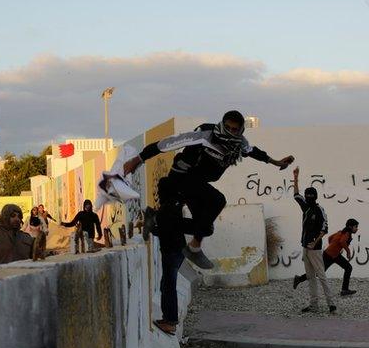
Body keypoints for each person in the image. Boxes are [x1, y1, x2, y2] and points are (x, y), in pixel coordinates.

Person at [123, 110, 294, 269]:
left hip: (197, 183)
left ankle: (156, 221)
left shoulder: (239, 144)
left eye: (234, 129)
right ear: (222, 124)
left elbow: (255, 152)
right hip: (182, 177)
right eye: (227, 127)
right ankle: (193, 248)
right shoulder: (205, 135)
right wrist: (137, 160)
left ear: (240, 130)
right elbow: (165, 144)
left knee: (205, 227)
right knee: (217, 200)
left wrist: (277, 162)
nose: (230, 132)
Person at [152, 177, 196, 335]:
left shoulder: (167, 208)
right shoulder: (175, 204)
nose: (158, 192)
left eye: (160, 189)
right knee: (167, 285)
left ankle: (170, 322)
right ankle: (168, 319)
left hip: (172, 251)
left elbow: (165, 230)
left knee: (168, 286)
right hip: (177, 250)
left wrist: (151, 228)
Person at [292, 167, 335, 314]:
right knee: (310, 277)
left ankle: (331, 304)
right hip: (305, 247)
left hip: (315, 249)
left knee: (321, 275)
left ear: (315, 197)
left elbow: (325, 228)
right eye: (307, 196)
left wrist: (315, 242)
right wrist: (296, 178)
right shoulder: (305, 207)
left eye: (310, 196)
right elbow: (296, 195)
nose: (307, 198)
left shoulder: (319, 210)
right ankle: (314, 305)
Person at [293, 218, 359, 296]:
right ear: (350, 227)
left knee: (347, 268)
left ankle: (344, 290)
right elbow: (342, 241)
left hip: (332, 255)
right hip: (330, 255)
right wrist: (348, 251)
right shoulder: (347, 233)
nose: (357, 229)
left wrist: (334, 247)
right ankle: (299, 279)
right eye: (356, 227)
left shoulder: (340, 232)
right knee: (320, 272)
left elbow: (330, 238)